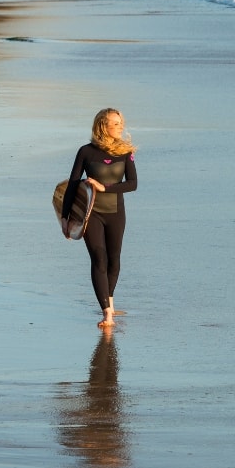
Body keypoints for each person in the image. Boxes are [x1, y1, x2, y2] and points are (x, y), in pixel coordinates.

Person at [62, 108, 137, 327]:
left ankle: (110, 302)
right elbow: (72, 185)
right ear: (103, 125)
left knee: (114, 262)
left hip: (116, 213)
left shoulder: (126, 152)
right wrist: (66, 218)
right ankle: (107, 314)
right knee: (99, 258)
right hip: (91, 213)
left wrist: (103, 187)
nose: (120, 127)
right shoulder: (86, 151)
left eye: (121, 122)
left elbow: (132, 184)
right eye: (115, 123)